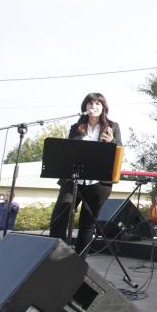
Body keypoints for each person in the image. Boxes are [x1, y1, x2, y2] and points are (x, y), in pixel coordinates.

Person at [49, 92, 121, 256]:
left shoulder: (112, 126)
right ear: (85, 107)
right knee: (59, 216)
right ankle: (54, 256)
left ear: (103, 107)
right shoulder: (77, 127)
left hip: (98, 183)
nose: (93, 107)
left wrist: (112, 142)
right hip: (73, 180)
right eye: (90, 104)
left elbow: (120, 149)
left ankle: (80, 260)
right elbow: (70, 152)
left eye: (97, 104)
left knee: (87, 223)